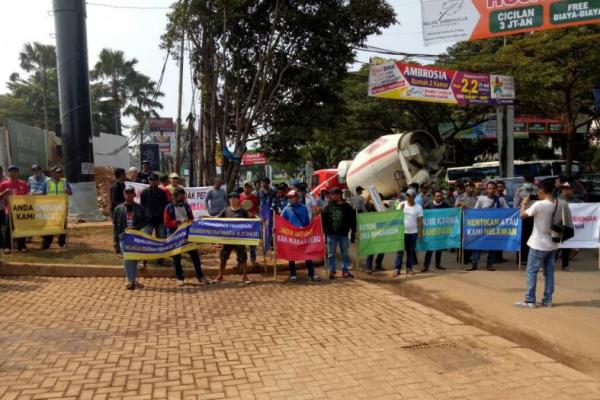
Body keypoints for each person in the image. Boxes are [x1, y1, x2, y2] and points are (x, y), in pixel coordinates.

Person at [515, 180, 572, 308]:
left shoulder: (539, 205)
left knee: (531, 271)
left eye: (538, 191)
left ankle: (530, 300)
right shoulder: (560, 204)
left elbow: (522, 215)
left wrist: (524, 203)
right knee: (549, 273)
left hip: (538, 244)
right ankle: (547, 299)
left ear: (541, 191)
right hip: (553, 244)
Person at [164, 188, 208, 286]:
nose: (184, 198)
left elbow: (191, 218)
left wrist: (192, 221)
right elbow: (167, 222)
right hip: (175, 235)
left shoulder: (186, 206)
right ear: (175, 196)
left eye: (184, 196)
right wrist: (179, 222)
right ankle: (180, 277)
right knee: (177, 257)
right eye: (182, 196)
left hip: (188, 235)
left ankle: (200, 276)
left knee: (195, 256)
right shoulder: (169, 207)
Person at [467, 181, 508, 272]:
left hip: (495, 228)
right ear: (486, 189)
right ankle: (474, 264)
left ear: (496, 189)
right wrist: (467, 210)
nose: (491, 190)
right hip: (482, 227)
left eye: (493, 188)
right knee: (478, 246)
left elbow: (508, 211)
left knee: (492, 247)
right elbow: (475, 211)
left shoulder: (500, 200)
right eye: (489, 188)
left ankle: (490, 265)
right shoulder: (481, 199)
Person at [281, 190, 321, 282]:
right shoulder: (286, 210)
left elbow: (307, 221)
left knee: (307, 254)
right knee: (292, 255)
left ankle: (311, 274)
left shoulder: (304, 208)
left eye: (291, 197)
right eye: (289, 198)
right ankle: (293, 274)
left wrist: (309, 231)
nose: (289, 199)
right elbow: (282, 223)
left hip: (303, 234)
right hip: (291, 236)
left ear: (296, 198)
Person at [214, 192, 251, 284]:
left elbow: (251, 221)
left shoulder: (243, 211)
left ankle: (244, 275)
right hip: (227, 239)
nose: (232, 199)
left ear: (238, 199)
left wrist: (258, 219)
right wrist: (206, 218)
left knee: (243, 258)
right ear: (229, 200)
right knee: (223, 257)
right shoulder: (225, 211)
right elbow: (215, 219)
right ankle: (220, 275)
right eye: (230, 198)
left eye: (234, 197)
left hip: (239, 239)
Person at [113, 186, 145, 290]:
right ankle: (130, 281)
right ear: (124, 194)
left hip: (135, 237)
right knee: (127, 258)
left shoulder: (139, 208)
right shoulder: (118, 209)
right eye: (127, 193)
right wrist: (115, 240)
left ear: (134, 194)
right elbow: (115, 225)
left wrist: (135, 228)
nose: (129, 195)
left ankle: (134, 280)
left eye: (131, 193)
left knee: (134, 258)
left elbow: (144, 222)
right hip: (123, 236)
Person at [322, 187, 356, 280]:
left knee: (345, 253)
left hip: (343, 234)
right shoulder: (328, 206)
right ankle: (331, 271)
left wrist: (354, 231)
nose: (331, 196)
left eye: (333, 194)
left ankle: (345, 271)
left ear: (339, 195)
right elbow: (323, 219)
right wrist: (324, 232)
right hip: (331, 234)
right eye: (331, 194)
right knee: (330, 254)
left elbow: (353, 220)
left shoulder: (347, 207)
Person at [393, 188, 423, 277]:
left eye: (411, 196)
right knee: (400, 251)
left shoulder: (418, 207)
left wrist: (420, 233)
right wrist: (400, 210)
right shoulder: (402, 204)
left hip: (413, 233)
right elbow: (395, 217)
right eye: (408, 195)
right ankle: (397, 269)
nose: (409, 197)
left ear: (414, 196)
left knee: (410, 252)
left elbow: (420, 221)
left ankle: (409, 268)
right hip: (402, 233)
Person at [0, 165, 30, 253]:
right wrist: (4, 192)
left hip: (21, 210)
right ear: (8, 173)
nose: (13, 173)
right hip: (9, 209)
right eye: (11, 171)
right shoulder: (4, 184)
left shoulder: (23, 183)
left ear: (18, 173)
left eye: (15, 171)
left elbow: (28, 197)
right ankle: (7, 247)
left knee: (21, 228)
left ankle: (21, 246)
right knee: (8, 229)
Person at [42, 167, 73, 249]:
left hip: (62, 207)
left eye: (60, 172)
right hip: (50, 208)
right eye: (56, 172)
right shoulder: (47, 182)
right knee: (49, 225)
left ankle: (62, 242)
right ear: (52, 173)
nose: (58, 174)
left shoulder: (65, 181)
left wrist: (68, 191)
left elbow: (71, 192)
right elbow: (43, 193)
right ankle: (47, 243)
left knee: (62, 225)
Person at [557, 181, 582, 272]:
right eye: (564, 188)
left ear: (572, 190)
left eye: (568, 188)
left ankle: (565, 265)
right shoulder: (558, 200)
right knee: (555, 247)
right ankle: (550, 265)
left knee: (567, 247)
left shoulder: (577, 201)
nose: (566, 190)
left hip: (570, 226)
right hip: (558, 225)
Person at [421, 189, 448, 272]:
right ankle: (426, 266)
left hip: (441, 231)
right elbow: (422, 214)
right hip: (431, 231)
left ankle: (438, 264)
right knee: (430, 249)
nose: (439, 197)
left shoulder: (445, 205)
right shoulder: (429, 205)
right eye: (437, 196)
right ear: (434, 197)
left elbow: (452, 212)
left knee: (439, 248)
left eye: (440, 196)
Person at [514, 176, 538, 265]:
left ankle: (530, 258)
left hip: (534, 217)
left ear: (533, 182)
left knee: (532, 238)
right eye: (526, 181)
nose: (527, 183)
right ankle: (520, 258)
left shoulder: (537, 190)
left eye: (529, 181)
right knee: (522, 238)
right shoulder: (519, 191)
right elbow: (515, 205)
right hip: (523, 217)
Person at [140, 172, 169, 243]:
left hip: (160, 220)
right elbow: (142, 206)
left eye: (154, 179)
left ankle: (161, 253)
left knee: (162, 238)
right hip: (148, 220)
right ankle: (146, 252)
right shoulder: (144, 192)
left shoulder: (162, 193)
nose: (152, 181)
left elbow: (165, 206)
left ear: (158, 181)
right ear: (149, 181)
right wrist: (145, 216)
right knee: (145, 238)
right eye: (151, 179)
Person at [240, 181, 259, 266]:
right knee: (241, 243)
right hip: (242, 223)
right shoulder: (239, 197)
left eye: (248, 187)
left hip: (252, 223)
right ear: (243, 187)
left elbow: (257, 209)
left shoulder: (254, 198)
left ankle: (253, 259)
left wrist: (254, 213)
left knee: (252, 242)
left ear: (251, 187)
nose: (247, 188)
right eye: (245, 186)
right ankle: (240, 260)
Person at [363, 197, 384, 274]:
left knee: (382, 250)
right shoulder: (370, 208)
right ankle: (368, 266)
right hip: (373, 233)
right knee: (372, 250)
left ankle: (378, 264)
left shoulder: (383, 209)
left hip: (381, 232)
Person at [110, 168, 127, 255]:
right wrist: (126, 203)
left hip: (123, 211)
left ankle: (122, 246)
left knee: (123, 229)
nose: (125, 175)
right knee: (117, 229)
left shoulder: (124, 185)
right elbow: (114, 201)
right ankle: (117, 249)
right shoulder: (115, 186)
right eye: (124, 174)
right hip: (116, 212)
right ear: (120, 175)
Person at [0, 166, 8, 254]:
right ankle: (1, 244)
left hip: (5, 208)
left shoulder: (6, 180)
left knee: (5, 227)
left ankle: (6, 244)